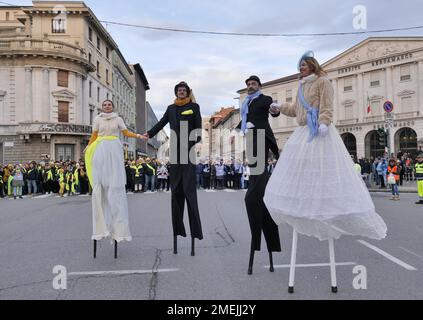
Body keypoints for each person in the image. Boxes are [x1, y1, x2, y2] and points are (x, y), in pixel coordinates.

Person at [264, 51, 387, 291]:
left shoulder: (323, 82)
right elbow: (296, 110)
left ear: (312, 66)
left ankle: (325, 206)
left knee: (324, 170)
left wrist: (323, 123)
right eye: (299, 65)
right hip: (301, 132)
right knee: (298, 174)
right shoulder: (301, 86)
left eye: (304, 65)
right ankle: (304, 204)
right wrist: (280, 107)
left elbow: (327, 105)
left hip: (319, 131)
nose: (301, 68)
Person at [143, 81, 203, 256]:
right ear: (176, 92)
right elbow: (161, 123)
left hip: (189, 151)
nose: (181, 92)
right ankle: (178, 230)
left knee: (189, 192)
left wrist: (190, 144)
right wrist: (149, 134)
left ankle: (195, 233)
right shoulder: (171, 108)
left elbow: (198, 130)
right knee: (176, 192)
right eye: (179, 90)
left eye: (184, 90)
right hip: (175, 152)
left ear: (188, 92)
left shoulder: (194, 106)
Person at [85, 99, 144, 258]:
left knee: (115, 183)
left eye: (109, 104)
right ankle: (102, 223)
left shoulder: (118, 119)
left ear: (112, 107)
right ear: (102, 107)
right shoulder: (97, 119)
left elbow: (125, 133)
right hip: (101, 147)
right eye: (105, 105)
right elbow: (94, 135)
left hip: (114, 147)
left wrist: (138, 135)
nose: (107, 106)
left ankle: (118, 228)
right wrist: (89, 147)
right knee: (101, 182)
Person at [236, 75, 282, 275]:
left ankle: (258, 190)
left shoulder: (265, 99)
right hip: (251, 138)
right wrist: (238, 128)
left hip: (261, 137)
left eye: (253, 84)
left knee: (254, 190)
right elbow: (244, 119)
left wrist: (275, 109)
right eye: (247, 84)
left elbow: (274, 112)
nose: (250, 86)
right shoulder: (246, 102)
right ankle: (259, 190)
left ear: (259, 86)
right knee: (255, 173)